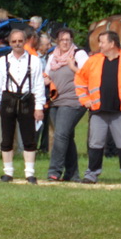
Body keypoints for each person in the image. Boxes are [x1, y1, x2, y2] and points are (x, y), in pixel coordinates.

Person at [75, 30, 121, 184]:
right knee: (95, 144)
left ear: (112, 43)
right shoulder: (93, 61)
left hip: (120, 111)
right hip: (97, 110)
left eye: (102, 42)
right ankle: (91, 174)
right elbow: (80, 80)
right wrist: (85, 99)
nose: (100, 45)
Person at [0, 26, 46, 183]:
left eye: (20, 41)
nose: (17, 44)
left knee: (29, 137)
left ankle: (30, 173)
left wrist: (39, 107)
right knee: (6, 137)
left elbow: (38, 85)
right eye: (14, 41)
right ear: (10, 42)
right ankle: (8, 172)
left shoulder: (34, 61)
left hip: (28, 100)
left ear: (25, 41)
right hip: (8, 99)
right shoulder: (3, 61)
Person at [42, 28, 88, 182]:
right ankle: (72, 174)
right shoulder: (52, 56)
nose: (65, 42)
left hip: (74, 101)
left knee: (60, 134)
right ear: (57, 41)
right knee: (66, 136)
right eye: (62, 40)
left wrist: (73, 67)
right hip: (56, 101)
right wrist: (46, 80)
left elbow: (89, 74)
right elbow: (46, 73)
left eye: (68, 39)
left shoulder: (78, 54)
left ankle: (54, 171)